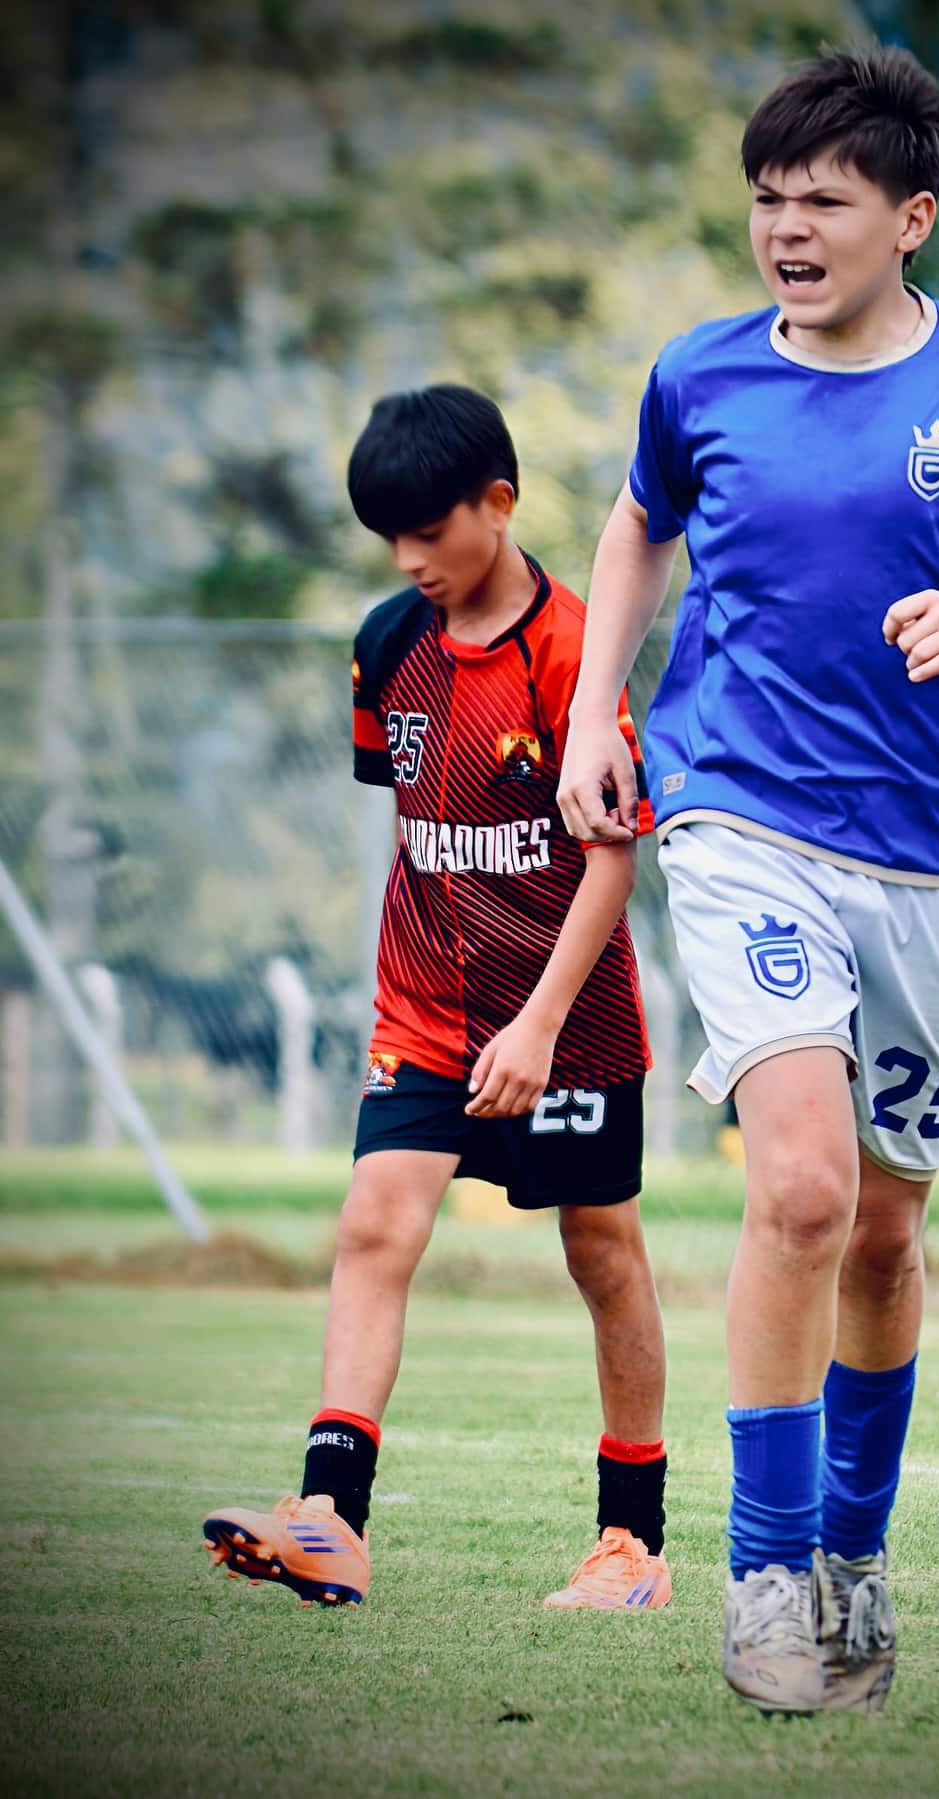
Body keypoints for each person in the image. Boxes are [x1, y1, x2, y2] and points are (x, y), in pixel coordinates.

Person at [557, 46, 939, 1712]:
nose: (787, 230)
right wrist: (605, 701)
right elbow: (634, 525)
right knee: (800, 1189)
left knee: (885, 1230)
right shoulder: (700, 374)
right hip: (740, 817)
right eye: (767, 202)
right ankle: (763, 1576)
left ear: (913, 215)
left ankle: (856, 1558)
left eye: (823, 202)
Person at [203, 386, 671, 1614]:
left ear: (498, 504)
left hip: (570, 1019)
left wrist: (541, 1025)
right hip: (424, 1009)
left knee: (603, 1251)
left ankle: (631, 1546)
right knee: (375, 1221)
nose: (409, 559)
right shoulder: (384, 642)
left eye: (427, 530)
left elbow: (614, 853)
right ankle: (329, 1516)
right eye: (389, 538)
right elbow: (415, 822)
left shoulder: (577, 650)